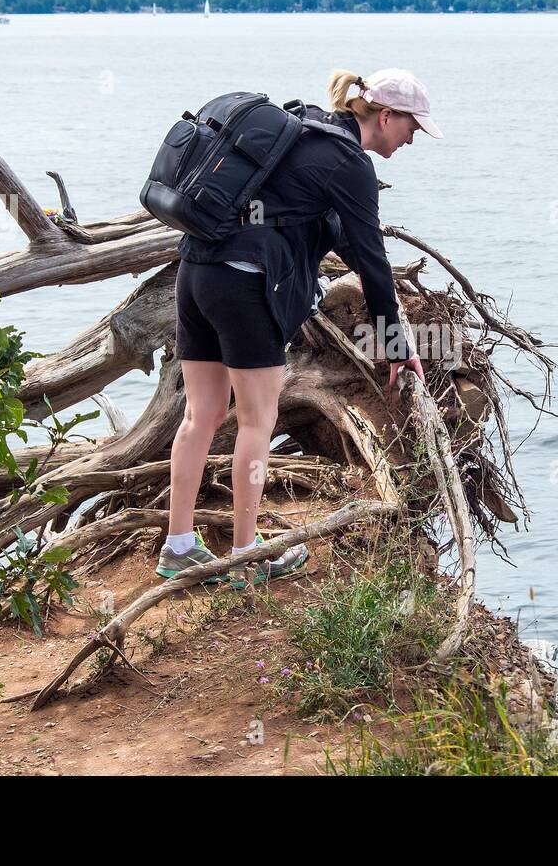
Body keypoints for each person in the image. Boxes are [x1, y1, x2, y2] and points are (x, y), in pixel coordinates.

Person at [155, 68, 440, 587]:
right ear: (385, 116)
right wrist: (397, 345)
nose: (413, 139)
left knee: (202, 414)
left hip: (195, 273)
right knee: (256, 422)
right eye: (412, 128)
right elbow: (372, 261)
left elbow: (333, 234)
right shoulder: (348, 163)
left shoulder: (305, 128)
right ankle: (246, 553)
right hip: (245, 286)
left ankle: (179, 546)